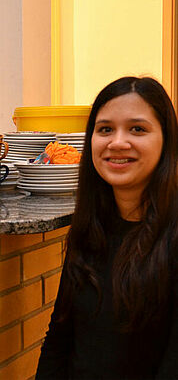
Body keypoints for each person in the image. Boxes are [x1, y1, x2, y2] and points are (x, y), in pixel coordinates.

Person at [36, 76, 178, 379]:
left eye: (137, 129)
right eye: (105, 130)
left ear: (166, 139)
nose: (117, 142)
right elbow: (59, 337)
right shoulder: (90, 226)